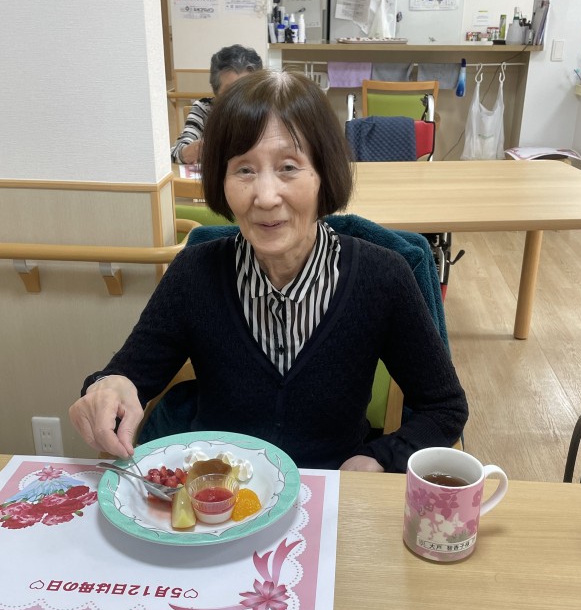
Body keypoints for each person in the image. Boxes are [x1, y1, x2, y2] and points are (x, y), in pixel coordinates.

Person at [70, 70, 468, 473]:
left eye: (288, 167)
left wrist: (379, 457)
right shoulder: (195, 273)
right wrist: (109, 388)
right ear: (221, 179)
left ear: (324, 173)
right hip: (217, 494)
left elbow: (444, 407)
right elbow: (127, 377)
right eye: (244, 170)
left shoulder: (382, 277)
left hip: (328, 488)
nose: (264, 197)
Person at [170, 44, 263, 165]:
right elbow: (175, 152)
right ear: (216, 92)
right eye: (230, 92)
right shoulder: (204, 109)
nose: (239, 99)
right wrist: (190, 151)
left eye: (247, 89)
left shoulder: (267, 110)